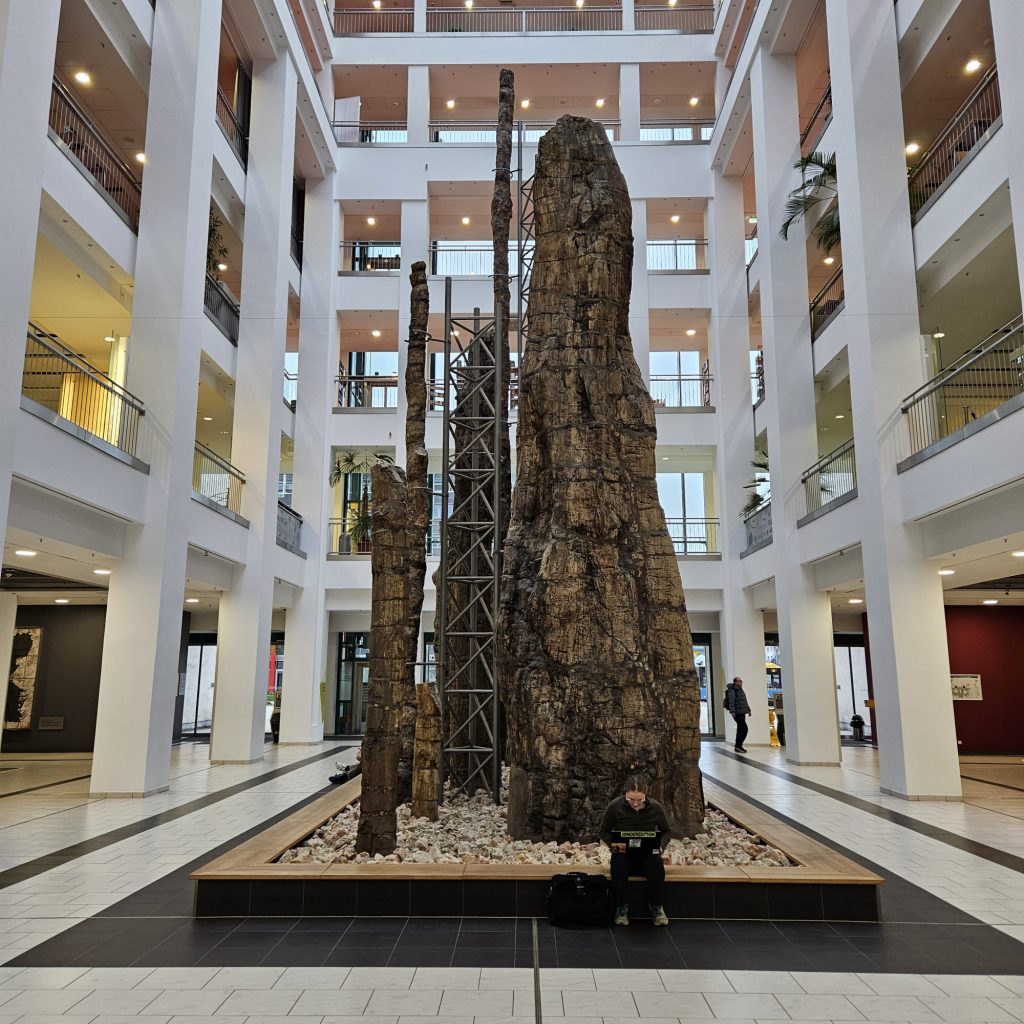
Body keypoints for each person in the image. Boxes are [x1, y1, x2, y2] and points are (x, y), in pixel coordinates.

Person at [599, 775, 671, 927]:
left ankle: (656, 906)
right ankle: (622, 907)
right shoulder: (615, 806)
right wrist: (614, 844)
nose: (636, 803)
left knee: (657, 865)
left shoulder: (656, 807)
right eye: (631, 799)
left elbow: (666, 831)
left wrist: (661, 846)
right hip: (624, 854)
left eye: (640, 799)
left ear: (646, 795)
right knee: (618, 866)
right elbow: (603, 831)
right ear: (625, 795)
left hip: (647, 855)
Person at [724, 676, 751, 753]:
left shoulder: (740, 690)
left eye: (741, 681)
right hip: (737, 713)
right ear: (735, 682)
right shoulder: (732, 690)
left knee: (741, 729)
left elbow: (744, 701)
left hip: (742, 712)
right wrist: (732, 712)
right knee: (744, 729)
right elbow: (731, 701)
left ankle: (738, 746)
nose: (740, 682)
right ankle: (738, 745)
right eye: (739, 681)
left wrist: (748, 710)